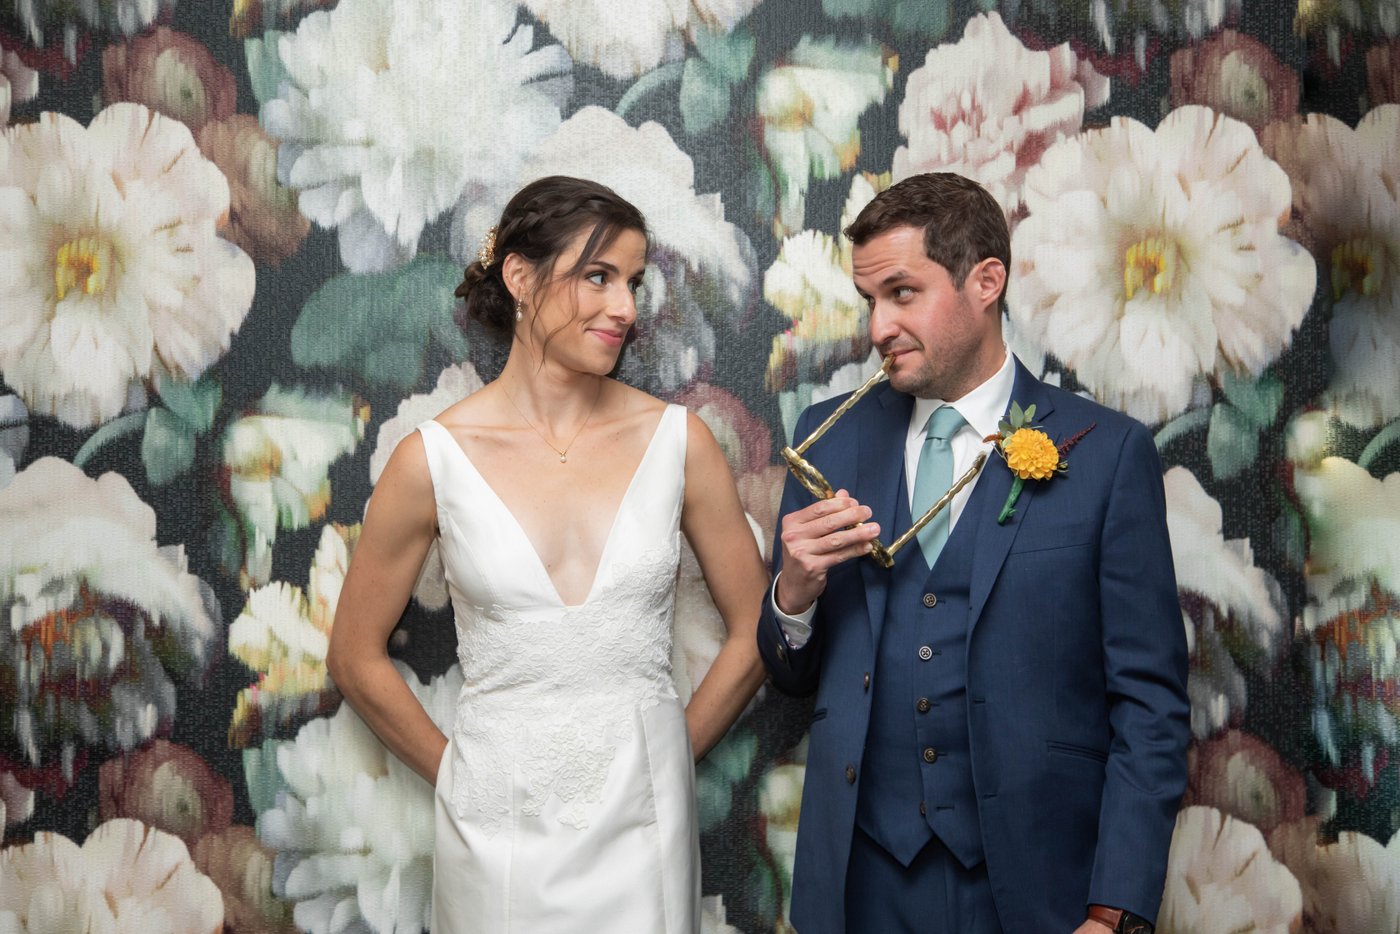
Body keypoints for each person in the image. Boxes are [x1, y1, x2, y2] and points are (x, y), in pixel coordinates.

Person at [327, 175, 768, 933]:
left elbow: (757, 629)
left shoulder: (680, 444)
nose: (625, 308)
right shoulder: (431, 460)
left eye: (633, 282)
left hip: (646, 833)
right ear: (520, 277)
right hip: (495, 831)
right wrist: (460, 778)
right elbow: (353, 655)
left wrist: (666, 757)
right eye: (598, 277)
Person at [757, 172, 1189, 934]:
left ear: (987, 281)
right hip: (862, 885)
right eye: (870, 301)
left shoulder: (1106, 454)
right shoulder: (828, 441)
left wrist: (1112, 910)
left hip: (1037, 889)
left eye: (903, 293)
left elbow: (1150, 707)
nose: (879, 327)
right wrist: (793, 596)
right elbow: (792, 676)